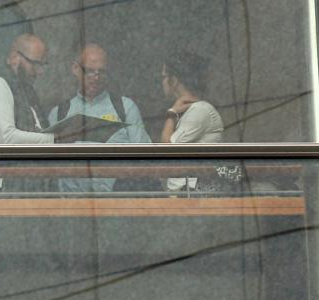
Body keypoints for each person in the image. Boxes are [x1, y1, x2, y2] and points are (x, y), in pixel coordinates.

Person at [46, 43, 150, 192]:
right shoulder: (59, 113)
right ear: (75, 69)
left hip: (117, 202)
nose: (96, 77)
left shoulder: (125, 108)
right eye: (90, 71)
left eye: (101, 72)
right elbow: (47, 165)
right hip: (70, 205)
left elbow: (144, 158)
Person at [159, 51, 242, 191]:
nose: (162, 82)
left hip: (194, 198)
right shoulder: (189, 111)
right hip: (184, 197)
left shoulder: (200, 110)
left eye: (164, 76)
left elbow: (167, 150)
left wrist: (170, 115)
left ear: (174, 80)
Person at [0, 33, 55, 146]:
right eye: (35, 64)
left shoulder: (27, 93)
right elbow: (7, 138)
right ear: (14, 59)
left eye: (43, 65)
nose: (40, 71)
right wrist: (55, 140)